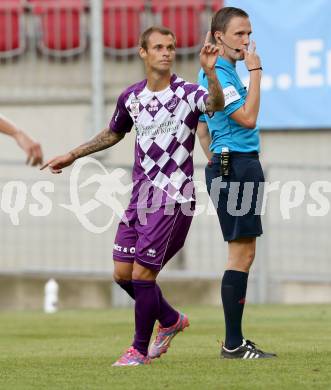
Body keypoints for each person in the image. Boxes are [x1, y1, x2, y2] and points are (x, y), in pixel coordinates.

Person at [41, 26, 224, 366]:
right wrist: (72, 154)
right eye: (158, 47)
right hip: (140, 197)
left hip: (174, 197)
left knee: (142, 276)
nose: (166, 52)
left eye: (170, 46)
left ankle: (138, 350)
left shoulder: (188, 93)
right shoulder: (131, 97)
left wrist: (211, 73)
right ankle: (169, 319)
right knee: (122, 274)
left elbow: (215, 102)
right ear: (143, 52)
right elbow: (114, 132)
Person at [197, 7, 276, 359]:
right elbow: (247, 118)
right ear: (218, 37)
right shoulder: (222, 76)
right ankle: (232, 344)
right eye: (239, 34)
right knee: (240, 253)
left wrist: (215, 157)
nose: (246, 41)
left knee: (244, 251)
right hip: (237, 167)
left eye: (248, 33)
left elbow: (201, 126)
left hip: (233, 165)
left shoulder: (220, 74)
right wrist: (256, 71)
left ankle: (235, 341)